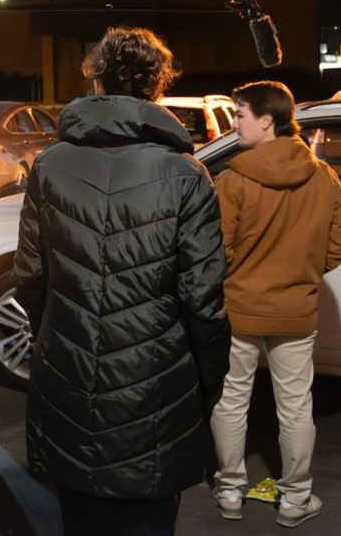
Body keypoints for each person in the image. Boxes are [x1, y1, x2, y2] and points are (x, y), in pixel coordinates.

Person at [13, 26, 231, 536]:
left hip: (69, 380)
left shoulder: (50, 165)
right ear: (156, 89)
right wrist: (208, 379)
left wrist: (61, 335)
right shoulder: (185, 174)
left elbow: (29, 277)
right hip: (156, 388)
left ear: (95, 83)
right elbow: (204, 299)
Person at [210, 81, 341, 528]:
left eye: (240, 114)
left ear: (266, 120)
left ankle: (230, 490)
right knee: (294, 406)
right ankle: (295, 499)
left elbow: (217, 251)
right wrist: (302, 273)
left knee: (231, 400)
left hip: (239, 309)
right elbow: (339, 246)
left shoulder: (232, 181)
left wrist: (239, 278)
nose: (234, 123)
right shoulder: (324, 176)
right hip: (296, 310)